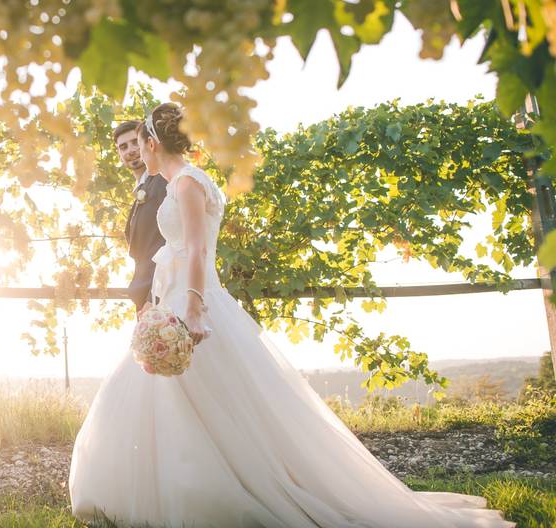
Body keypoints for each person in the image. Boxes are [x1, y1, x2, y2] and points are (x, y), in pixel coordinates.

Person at [69, 103, 514, 528]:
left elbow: (200, 248)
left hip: (192, 300)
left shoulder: (186, 182)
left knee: (203, 397)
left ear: (150, 142)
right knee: (170, 398)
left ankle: (212, 490)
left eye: (138, 141)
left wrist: (193, 308)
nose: (135, 150)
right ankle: (167, 487)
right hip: (173, 296)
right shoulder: (184, 178)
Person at [113, 119, 168, 313]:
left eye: (135, 142)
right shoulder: (140, 192)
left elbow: (170, 244)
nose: (130, 150)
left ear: (148, 143)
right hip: (144, 300)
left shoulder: (163, 182)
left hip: (161, 297)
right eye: (123, 147)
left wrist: (153, 297)